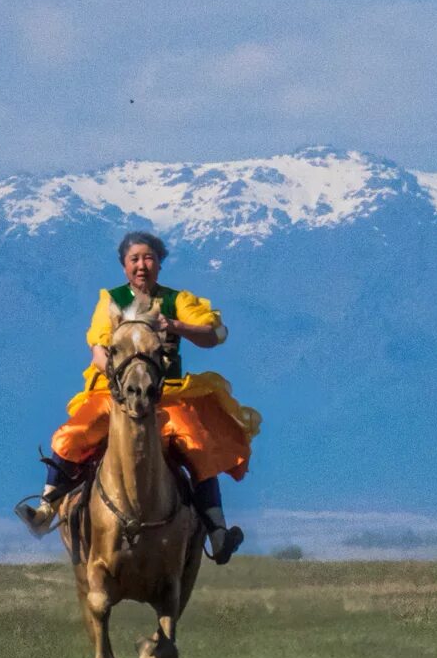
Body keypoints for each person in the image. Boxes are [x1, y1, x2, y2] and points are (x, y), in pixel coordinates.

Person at [16, 231, 260, 563]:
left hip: (168, 395)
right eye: (134, 259)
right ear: (124, 266)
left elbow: (215, 334)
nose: (141, 265)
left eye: (148, 258)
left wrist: (175, 326)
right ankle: (47, 509)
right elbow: (99, 348)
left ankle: (217, 531)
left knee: (198, 445)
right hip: (114, 392)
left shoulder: (178, 300)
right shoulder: (113, 300)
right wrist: (117, 377)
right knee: (74, 432)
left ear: (159, 263)